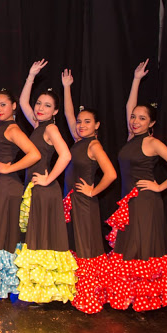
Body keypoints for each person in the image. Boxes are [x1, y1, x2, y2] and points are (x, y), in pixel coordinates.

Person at [106, 59, 167, 313]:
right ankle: (130, 295)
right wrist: (136, 80)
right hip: (128, 202)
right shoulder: (132, 137)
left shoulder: (152, 143)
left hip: (144, 202)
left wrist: (160, 187)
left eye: (142, 118)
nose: (135, 120)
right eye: (134, 117)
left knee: (139, 251)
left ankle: (145, 297)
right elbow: (129, 106)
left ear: (151, 123)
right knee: (129, 248)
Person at [13, 59, 77, 305]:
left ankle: (46, 293)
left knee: (43, 240)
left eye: (47, 105)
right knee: (36, 238)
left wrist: (49, 178)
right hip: (36, 189)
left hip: (44, 189)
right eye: (39, 104)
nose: (40, 108)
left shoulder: (50, 129)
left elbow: (66, 154)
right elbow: (22, 103)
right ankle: (39, 292)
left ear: (55, 112)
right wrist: (30, 76)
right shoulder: (37, 126)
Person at [0, 51, 41, 300]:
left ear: (14, 106)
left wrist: (8, 167)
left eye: (3, 104)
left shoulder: (13, 128)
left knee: (1, 235)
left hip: (7, 187)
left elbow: (34, 154)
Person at [61, 69, 117, 314]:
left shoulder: (93, 144)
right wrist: (66, 88)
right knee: (74, 245)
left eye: (87, 122)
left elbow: (111, 174)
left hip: (84, 204)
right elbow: (68, 113)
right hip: (71, 203)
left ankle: (89, 297)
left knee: (86, 248)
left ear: (97, 126)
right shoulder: (78, 141)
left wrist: (94, 192)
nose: (81, 124)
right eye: (80, 122)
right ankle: (76, 292)